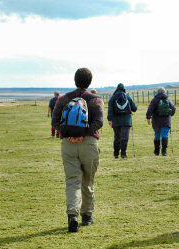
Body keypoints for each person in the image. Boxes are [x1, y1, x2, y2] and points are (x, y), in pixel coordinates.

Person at [51, 68, 104, 232]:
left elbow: (55, 121)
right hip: (89, 143)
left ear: (75, 80)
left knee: (72, 181)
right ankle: (87, 216)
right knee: (87, 180)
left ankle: (72, 215)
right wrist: (84, 134)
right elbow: (99, 122)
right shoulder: (95, 99)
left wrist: (69, 134)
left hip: (68, 144)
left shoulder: (64, 99)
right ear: (90, 81)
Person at [107, 83, 137, 159]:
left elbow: (110, 110)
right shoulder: (127, 97)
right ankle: (123, 154)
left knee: (117, 137)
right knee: (124, 138)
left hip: (116, 121)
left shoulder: (113, 98)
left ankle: (116, 154)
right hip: (126, 121)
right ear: (124, 89)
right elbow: (135, 108)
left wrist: (109, 119)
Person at [146, 87, 176, 156]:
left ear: (157, 92)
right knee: (165, 135)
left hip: (156, 121)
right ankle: (164, 151)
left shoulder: (154, 100)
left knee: (157, 135)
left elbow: (149, 109)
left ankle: (157, 151)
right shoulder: (167, 99)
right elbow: (174, 108)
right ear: (164, 92)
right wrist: (170, 115)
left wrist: (148, 118)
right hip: (166, 121)